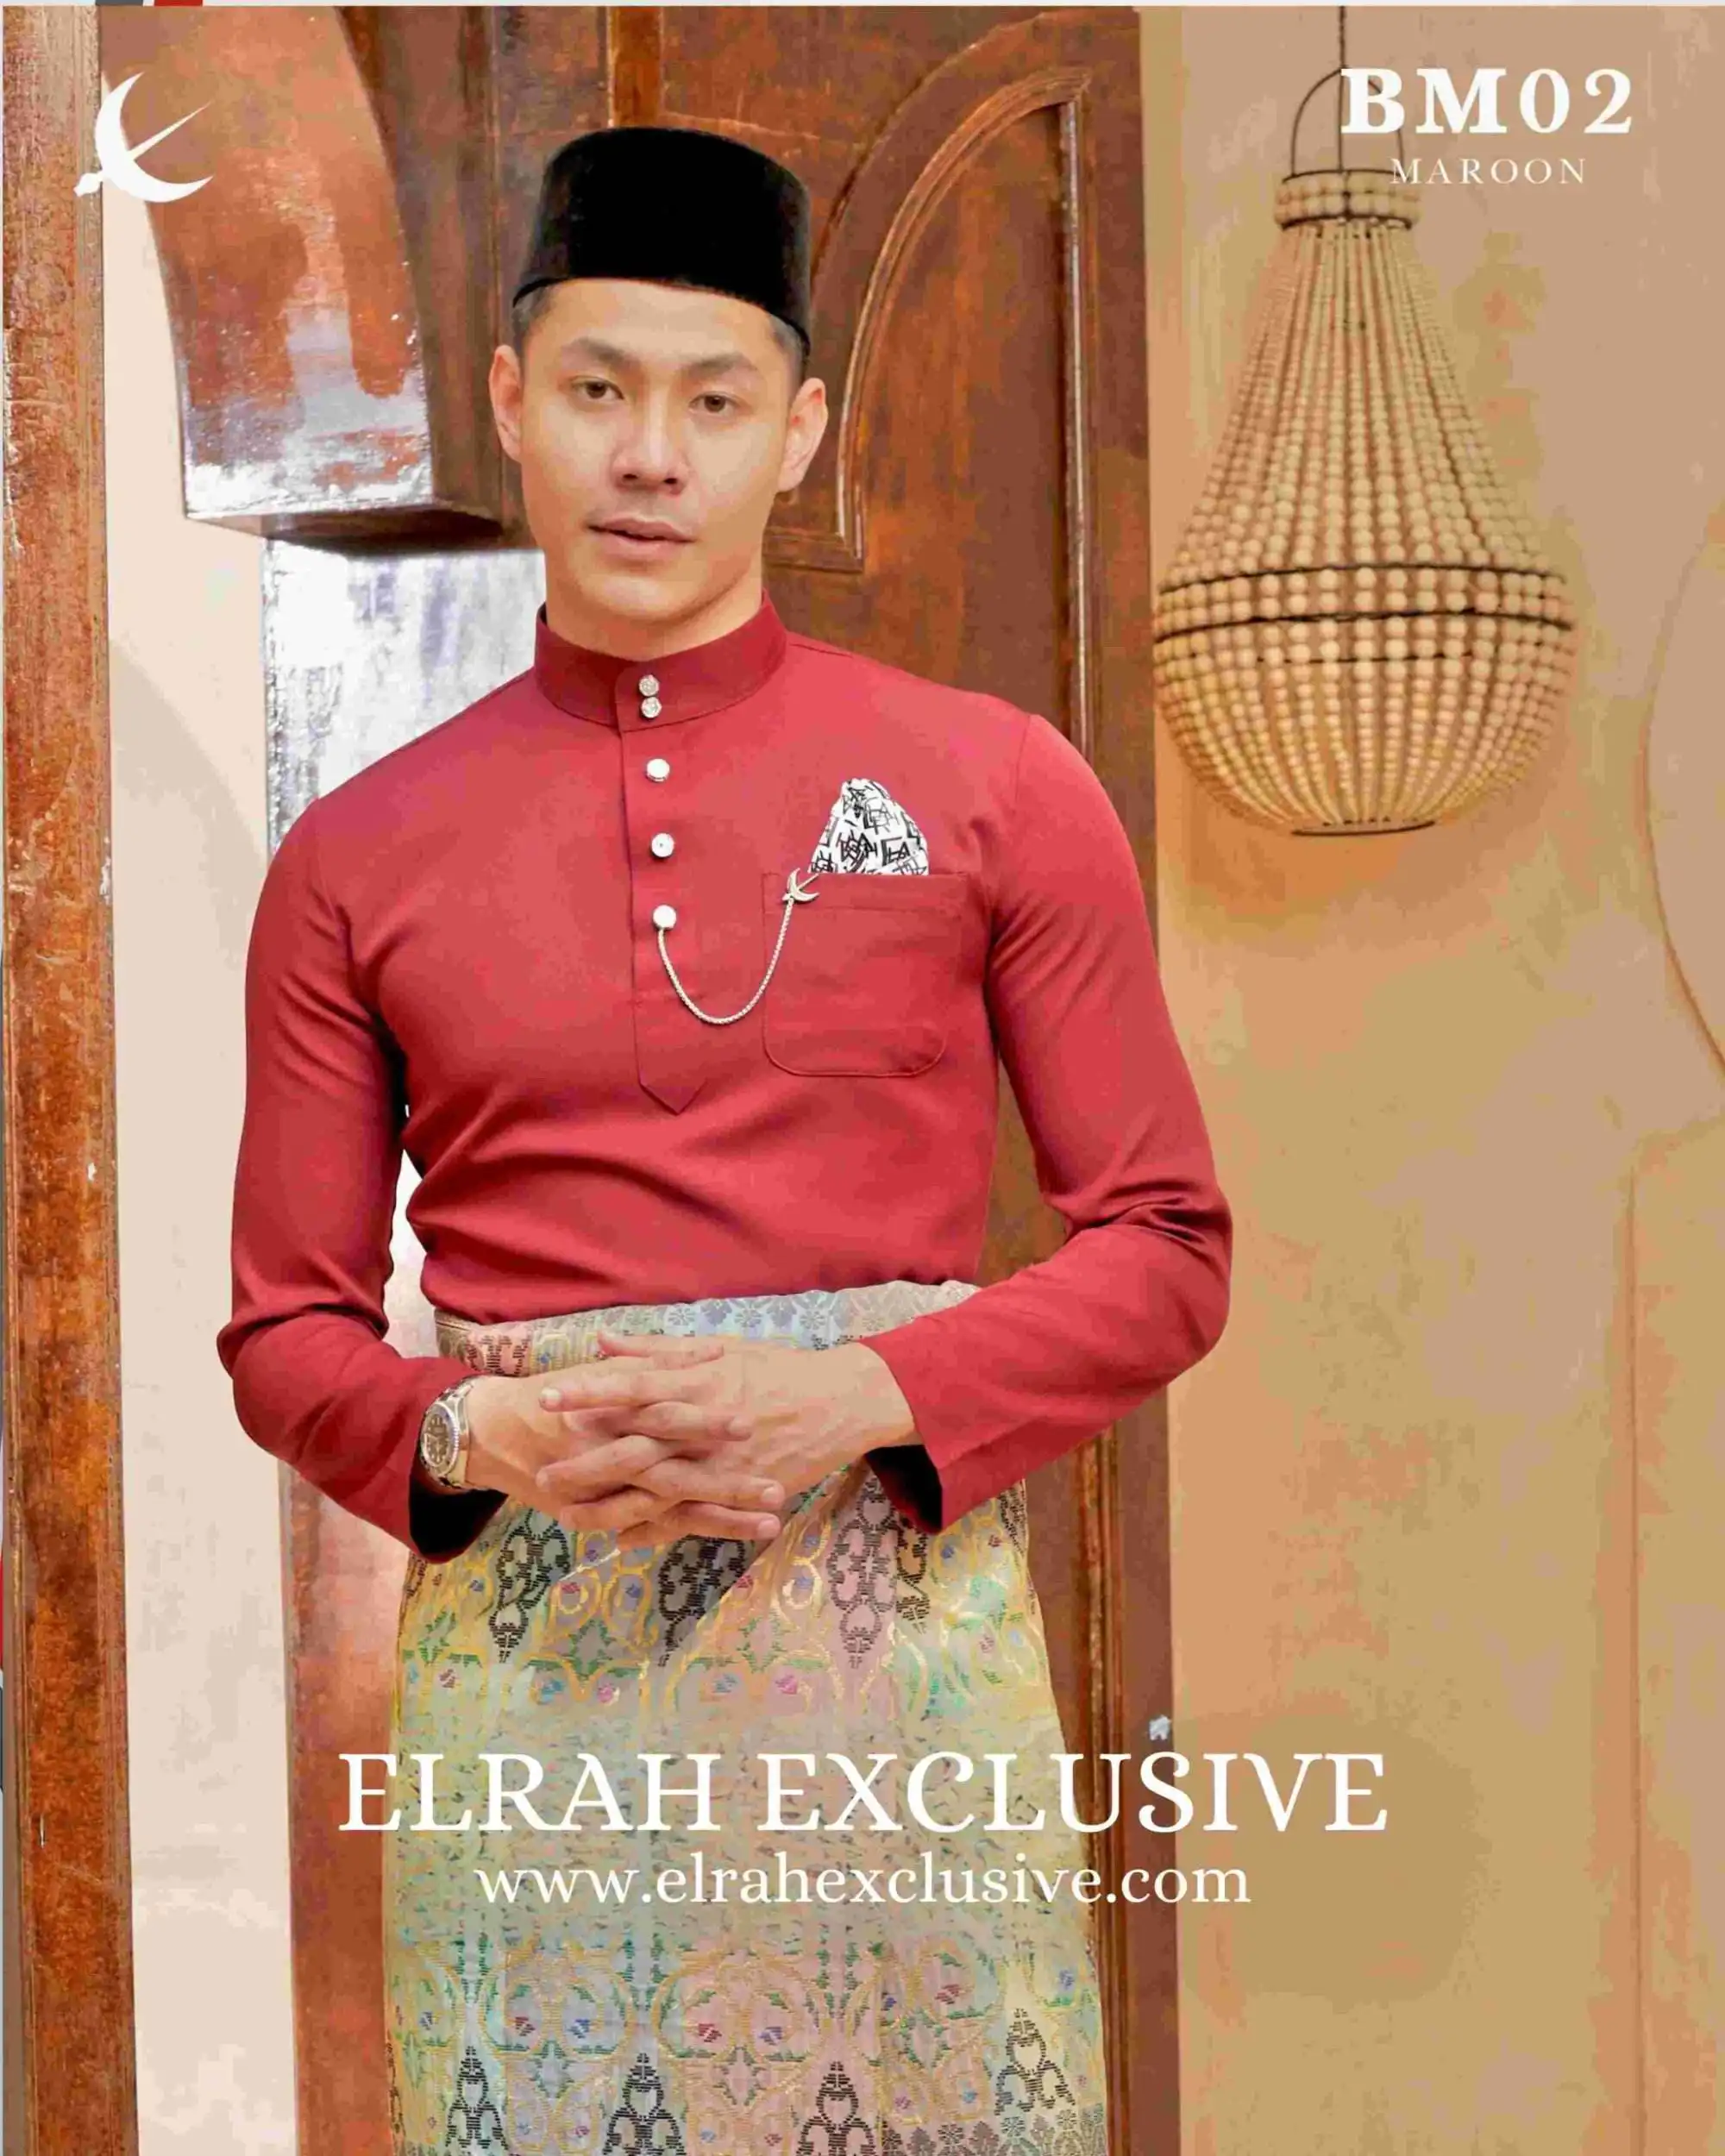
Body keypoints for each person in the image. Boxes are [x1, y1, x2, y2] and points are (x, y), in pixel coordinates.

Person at [217, 122, 1233, 2156]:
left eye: (713, 401)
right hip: (536, 1676)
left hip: (890, 1662)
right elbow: (284, 1337)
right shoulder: (354, 857)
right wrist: (482, 1433)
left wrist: (852, 1393)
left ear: (801, 432)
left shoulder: (997, 787)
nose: (649, 457)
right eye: (598, 389)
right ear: (512, 402)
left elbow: (1166, 1248)